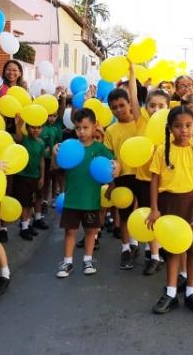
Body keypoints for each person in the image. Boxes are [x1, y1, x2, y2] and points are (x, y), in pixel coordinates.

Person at [147, 106, 193, 315]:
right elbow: (154, 180)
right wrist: (154, 208)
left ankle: (192, 292)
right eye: (178, 126)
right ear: (169, 128)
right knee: (173, 250)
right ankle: (172, 293)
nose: (184, 130)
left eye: (188, 125)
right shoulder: (161, 151)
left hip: (191, 203)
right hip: (169, 203)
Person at [52, 108, 119, 278]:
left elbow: (113, 164)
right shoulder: (69, 147)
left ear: (95, 126)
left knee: (91, 231)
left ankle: (88, 259)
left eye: (85, 127)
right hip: (72, 200)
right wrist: (54, 153)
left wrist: (116, 168)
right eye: (78, 128)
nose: (81, 132)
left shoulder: (99, 148)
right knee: (70, 232)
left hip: (91, 201)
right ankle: (67, 262)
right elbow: (56, 166)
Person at [128, 66, 170, 275]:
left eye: (161, 105)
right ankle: (154, 255)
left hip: (167, 181)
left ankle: (160, 248)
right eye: (152, 105)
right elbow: (133, 97)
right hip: (144, 178)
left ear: (168, 107)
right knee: (151, 216)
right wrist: (132, 73)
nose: (156, 109)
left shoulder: (172, 124)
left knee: (164, 215)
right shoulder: (142, 118)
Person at [104, 87, 147, 270]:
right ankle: (126, 248)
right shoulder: (111, 130)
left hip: (142, 175)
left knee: (144, 212)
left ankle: (147, 249)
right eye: (114, 107)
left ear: (130, 104)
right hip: (122, 177)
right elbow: (109, 158)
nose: (119, 110)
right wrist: (112, 183)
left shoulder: (140, 123)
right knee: (124, 215)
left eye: (122, 105)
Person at [13, 116, 47, 240]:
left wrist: (42, 177)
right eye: (32, 127)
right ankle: (24, 227)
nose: (35, 130)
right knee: (25, 203)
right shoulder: (24, 139)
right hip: (23, 176)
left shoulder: (41, 143)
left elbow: (42, 160)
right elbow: (18, 135)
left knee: (36, 199)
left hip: (35, 176)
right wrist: (18, 124)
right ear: (27, 128)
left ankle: (32, 222)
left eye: (38, 127)